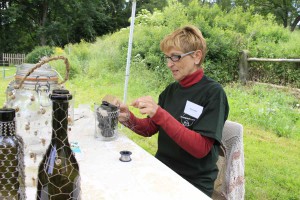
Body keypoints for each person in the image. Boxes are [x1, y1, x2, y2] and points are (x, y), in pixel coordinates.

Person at [118, 25, 229, 197]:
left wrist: (160, 113)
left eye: (176, 57)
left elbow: (200, 148)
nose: (170, 64)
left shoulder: (213, 93)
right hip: (161, 171)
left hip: (192, 183)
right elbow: (149, 128)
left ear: (197, 56)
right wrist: (127, 118)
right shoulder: (171, 90)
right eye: (168, 58)